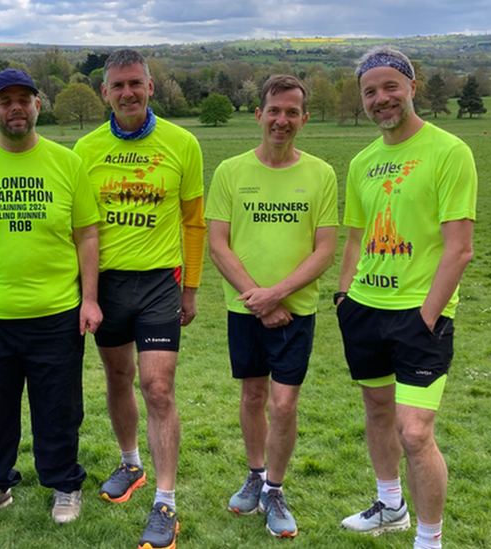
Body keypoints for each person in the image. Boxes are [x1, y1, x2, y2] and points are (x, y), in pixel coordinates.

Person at [0, 69, 101, 527]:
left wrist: (89, 299)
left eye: (24, 99)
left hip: (56, 313)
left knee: (59, 408)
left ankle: (64, 485)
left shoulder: (66, 163)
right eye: (5, 100)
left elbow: (87, 235)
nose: (16, 107)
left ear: (38, 105)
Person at [336, 46, 476, 549]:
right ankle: (390, 505)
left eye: (390, 87)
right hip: (365, 310)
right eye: (369, 91)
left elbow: (459, 250)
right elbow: (354, 236)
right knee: (377, 411)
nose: (380, 99)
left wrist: (426, 317)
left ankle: (429, 539)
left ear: (412, 87)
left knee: (415, 432)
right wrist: (342, 296)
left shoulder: (449, 151)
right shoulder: (361, 161)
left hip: (421, 315)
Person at [73, 48, 205, 549]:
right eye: (118, 86)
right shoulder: (84, 150)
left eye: (136, 83)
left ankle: (165, 502)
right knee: (118, 377)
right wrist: (84, 294)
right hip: (106, 285)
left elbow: (194, 222)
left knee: (158, 387)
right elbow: (78, 229)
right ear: (104, 93)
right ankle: (131, 463)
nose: (127, 93)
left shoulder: (182, 143)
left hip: (157, 285)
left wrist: (190, 287)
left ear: (151, 87)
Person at [205, 74, 338, 538]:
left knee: (283, 404)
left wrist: (277, 295)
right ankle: (256, 475)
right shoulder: (230, 172)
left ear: (304, 119)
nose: (282, 120)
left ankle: (275, 492)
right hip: (245, 310)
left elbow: (324, 250)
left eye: (292, 112)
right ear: (258, 115)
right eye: (274, 111)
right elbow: (218, 246)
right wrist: (259, 301)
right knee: (253, 396)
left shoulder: (320, 174)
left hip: (295, 313)